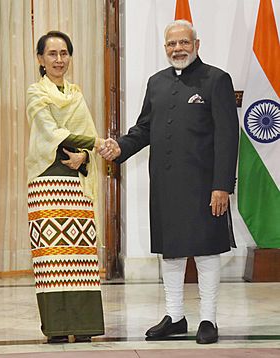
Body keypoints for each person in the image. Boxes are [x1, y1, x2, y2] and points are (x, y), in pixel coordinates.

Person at [99, 20, 239, 344]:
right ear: (165, 48)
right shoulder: (156, 83)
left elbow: (228, 137)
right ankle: (175, 316)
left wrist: (222, 186)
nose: (178, 49)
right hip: (164, 186)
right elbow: (145, 128)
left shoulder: (217, 80)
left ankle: (209, 319)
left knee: (206, 252)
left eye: (183, 42)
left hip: (206, 187)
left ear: (196, 44)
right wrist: (120, 146)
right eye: (171, 44)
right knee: (172, 253)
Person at [26, 31, 105, 343]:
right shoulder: (36, 93)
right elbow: (50, 131)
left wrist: (84, 156)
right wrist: (95, 144)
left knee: (80, 256)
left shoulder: (76, 94)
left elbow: (84, 129)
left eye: (64, 53)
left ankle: (84, 327)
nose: (59, 60)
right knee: (52, 257)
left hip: (77, 181)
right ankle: (57, 328)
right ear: (41, 60)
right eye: (52, 54)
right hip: (47, 179)